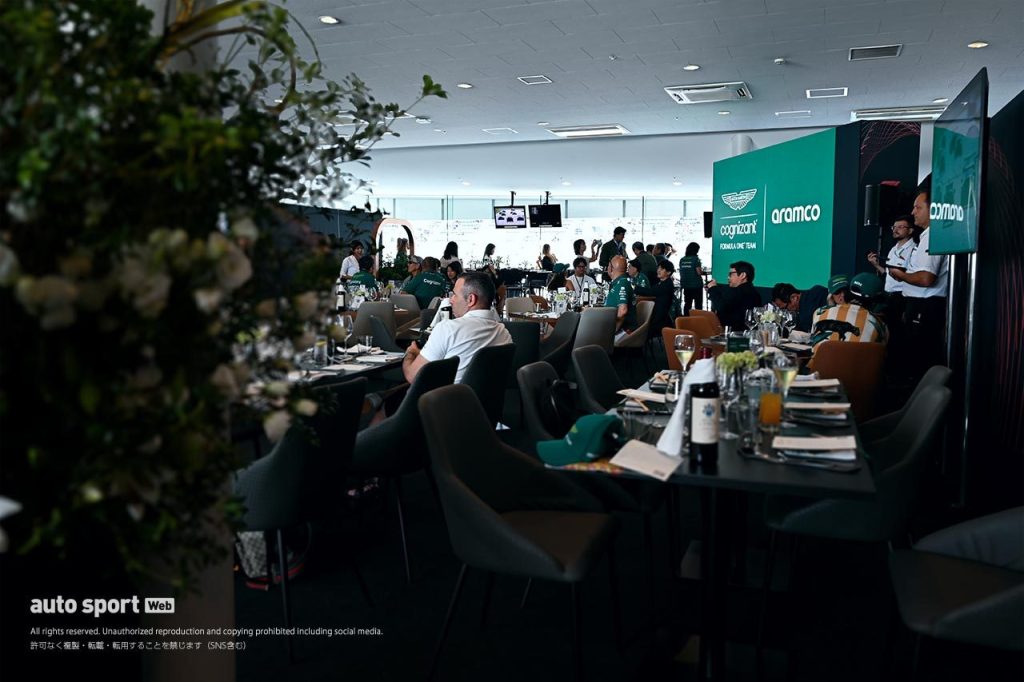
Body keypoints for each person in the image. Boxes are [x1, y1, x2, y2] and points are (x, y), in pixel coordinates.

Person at [402, 272, 512, 384]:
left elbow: (412, 376)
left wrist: (410, 353)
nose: (451, 300)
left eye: (454, 295)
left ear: (471, 299)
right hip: (486, 395)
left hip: (446, 394)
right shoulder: (504, 333)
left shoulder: (448, 328)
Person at [888, 183, 949, 378]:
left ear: (933, 209)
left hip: (926, 307)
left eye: (918, 207)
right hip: (918, 306)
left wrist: (901, 275)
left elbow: (926, 278)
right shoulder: (927, 236)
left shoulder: (934, 236)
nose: (913, 212)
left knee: (920, 362)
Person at [809, 272, 887, 350]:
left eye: (845, 291)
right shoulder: (878, 323)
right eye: (837, 292)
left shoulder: (819, 312)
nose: (842, 295)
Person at [706, 260, 761, 330]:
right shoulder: (751, 291)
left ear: (743, 275)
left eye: (730, 274)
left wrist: (713, 289)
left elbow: (720, 306)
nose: (728, 277)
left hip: (733, 333)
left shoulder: (740, 292)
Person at [634, 260, 677, 339]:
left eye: (662, 269)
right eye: (658, 268)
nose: (658, 270)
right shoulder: (661, 283)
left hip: (659, 320)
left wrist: (634, 287)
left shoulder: (667, 284)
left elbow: (651, 291)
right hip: (656, 315)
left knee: (637, 324)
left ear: (668, 272)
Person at [605, 255, 637, 335]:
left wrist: (612, 331)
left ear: (611, 268)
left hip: (623, 331)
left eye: (608, 265)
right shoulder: (622, 281)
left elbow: (623, 311)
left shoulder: (622, 284)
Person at [678, 242, 704, 315]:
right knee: (698, 304)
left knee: (687, 304)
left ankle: (686, 319)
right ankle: (698, 319)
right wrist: (703, 271)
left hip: (686, 284)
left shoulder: (682, 259)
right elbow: (699, 272)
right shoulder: (696, 259)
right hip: (696, 285)